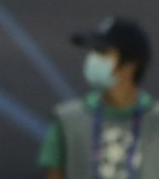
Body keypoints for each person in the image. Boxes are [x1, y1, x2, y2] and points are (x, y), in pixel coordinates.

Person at [38, 16, 158, 179]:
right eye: (92, 52)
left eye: (103, 53)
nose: (93, 59)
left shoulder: (155, 120)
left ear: (129, 66)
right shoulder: (67, 121)